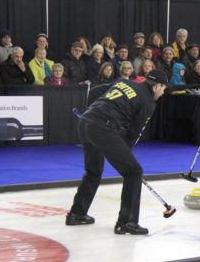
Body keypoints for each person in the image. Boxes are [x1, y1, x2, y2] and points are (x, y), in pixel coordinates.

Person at [66, 69, 169, 235]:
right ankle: (127, 222)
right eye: (164, 88)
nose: (163, 92)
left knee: (93, 171)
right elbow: (135, 132)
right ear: (157, 86)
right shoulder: (148, 102)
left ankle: (77, 214)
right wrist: (125, 154)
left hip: (86, 122)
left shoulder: (124, 82)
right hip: (102, 127)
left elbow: (93, 92)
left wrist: (94, 112)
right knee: (134, 172)